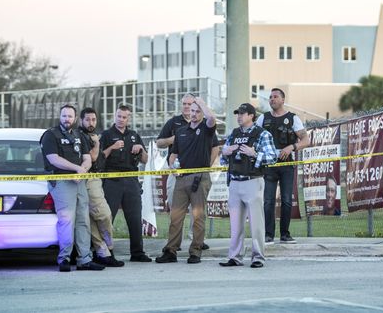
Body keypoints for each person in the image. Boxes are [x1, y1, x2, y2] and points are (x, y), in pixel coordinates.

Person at [40, 104, 105, 272]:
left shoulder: (78, 135)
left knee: (83, 221)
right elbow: (54, 159)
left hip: (79, 182)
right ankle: (64, 258)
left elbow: (87, 158)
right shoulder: (50, 135)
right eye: (64, 116)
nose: (66, 119)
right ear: (59, 116)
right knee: (67, 221)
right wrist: (76, 169)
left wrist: (83, 169)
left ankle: (84, 259)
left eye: (70, 116)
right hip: (62, 182)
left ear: (75, 118)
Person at [155, 97, 216, 264]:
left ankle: (195, 251)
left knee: (197, 216)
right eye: (192, 111)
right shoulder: (181, 131)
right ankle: (171, 251)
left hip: (200, 177)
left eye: (197, 111)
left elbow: (212, 119)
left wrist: (201, 102)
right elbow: (174, 153)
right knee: (176, 216)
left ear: (202, 112)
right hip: (181, 178)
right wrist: (172, 166)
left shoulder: (206, 129)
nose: (194, 113)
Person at [219, 103, 277, 268]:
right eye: (238, 114)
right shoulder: (234, 134)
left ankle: (258, 257)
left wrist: (255, 154)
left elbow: (272, 157)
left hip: (253, 181)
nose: (239, 116)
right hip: (235, 182)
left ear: (252, 116)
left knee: (256, 223)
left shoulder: (262, 134)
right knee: (235, 224)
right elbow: (224, 158)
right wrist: (225, 152)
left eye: (243, 114)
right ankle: (235, 257)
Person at [256, 88, 310, 244]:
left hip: (286, 165)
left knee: (286, 200)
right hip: (268, 165)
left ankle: (285, 234)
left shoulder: (293, 118)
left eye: (275, 96)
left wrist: (291, 147)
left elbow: (306, 141)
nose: (272, 99)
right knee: (268, 201)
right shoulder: (263, 119)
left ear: (282, 100)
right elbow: (254, 138)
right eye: (270, 97)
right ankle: (268, 235)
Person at [100, 104, 151, 262]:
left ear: (129, 118)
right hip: (112, 180)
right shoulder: (107, 135)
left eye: (124, 117)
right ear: (114, 116)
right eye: (118, 116)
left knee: (135, 217)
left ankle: (137, 253)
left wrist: (141, 149)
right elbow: (100, 158)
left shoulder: (134, 135)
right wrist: (112, 147)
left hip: (131, 180)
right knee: (108, 218)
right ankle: (106, 252)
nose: (121, 119)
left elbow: (145, 159)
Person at [79, 107, 125, 267]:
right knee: (104, 214)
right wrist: (97, 143)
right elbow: (92, 157)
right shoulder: (81, 136)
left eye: (93, 119)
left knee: (93, 219)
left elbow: (100, 157)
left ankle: (102, 253)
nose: (91, 123)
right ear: (81, 120)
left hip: (96, 178)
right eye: (87, 120)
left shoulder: (92, 135)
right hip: (88, 179)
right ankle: (109, 250)